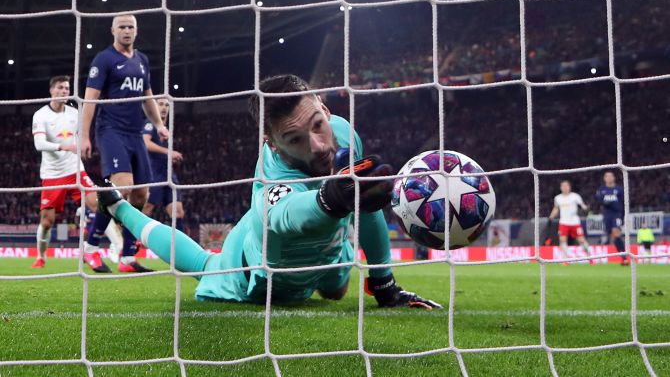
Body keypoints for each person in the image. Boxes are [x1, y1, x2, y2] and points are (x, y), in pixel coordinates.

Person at [95, 74, 441, 308]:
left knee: (336, 290)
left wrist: (383, 283)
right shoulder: (271, 182)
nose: (319, 145)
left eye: (318, 124)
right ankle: (121, 209)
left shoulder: (344, 133)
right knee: (205, 263)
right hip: (258, 268)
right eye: (295, 140)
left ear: (324, 106)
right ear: (272, 145)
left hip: (328, 249)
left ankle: (352, 275)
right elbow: (286, 215)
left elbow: (367, 205)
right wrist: (333, 197)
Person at [80, 14, 168, 273]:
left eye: (131, 27)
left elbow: (148, 98)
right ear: (113, 30)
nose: (127, 31)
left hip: (134, 132)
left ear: (137, 31)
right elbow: (90, 99)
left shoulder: (142, 61)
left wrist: (160, 125)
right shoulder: (104, 59)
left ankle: (128, 257)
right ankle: (91, 249)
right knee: (122, 186)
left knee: (142, 194)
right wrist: (84, 135)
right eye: (122, 27)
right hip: (111, 130)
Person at [31, 76, 115, 268]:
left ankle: (97, 249)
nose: (64, 91)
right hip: (52, 174)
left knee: (99, 204)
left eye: (67, 88)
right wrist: (64, 146)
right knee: (46, 222)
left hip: (75, 169)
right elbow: (39, 144)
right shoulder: (41, 115)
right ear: (51, 90)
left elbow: (82, 136)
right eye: (60, 87)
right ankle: (41, 256)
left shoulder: (75, 113)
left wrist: (83, 145)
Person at [141, 97, 186, 233]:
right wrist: (169, 152)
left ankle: (179, 247)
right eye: (161, 104)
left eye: (167, 105)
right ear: (154, 106)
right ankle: (130, 242)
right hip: (153, 173)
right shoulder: (150, 123)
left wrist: (170, 158)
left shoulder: (167, 129)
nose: (164, 108)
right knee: (147, 208)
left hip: (168, 174)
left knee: (178, 212)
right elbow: (145, 143)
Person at [549, 180, 592, 265]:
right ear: (561, 188)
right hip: (563, 222)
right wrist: (551, 216)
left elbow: (582, 205)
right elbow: (556, 208)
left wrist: (586, 208)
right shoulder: (558, 198)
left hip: (574, 222)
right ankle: (565, 259)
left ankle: (590, 257)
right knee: (562, 240)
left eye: (566, 186)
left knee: (581, 240)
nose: (565, 188)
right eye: (563, 186)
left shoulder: (575, 196)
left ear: (569, 187)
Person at [595, 171, 627, 265]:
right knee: (613, 236)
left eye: (610, 176)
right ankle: (622, 256)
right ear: (604, 179)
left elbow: (624, 202)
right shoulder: (601, 189)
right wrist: (604, 203)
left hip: (617, 214)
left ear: (614, 178)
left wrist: (623, 216)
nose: (608, 178)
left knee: (616, 232)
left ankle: (624, 258)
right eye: (606, 176)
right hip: (607, 215)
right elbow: (598, 201)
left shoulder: (620, 189)